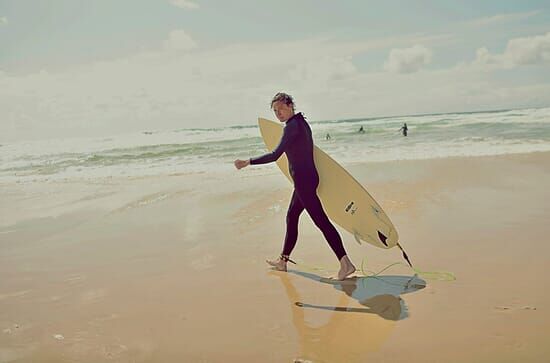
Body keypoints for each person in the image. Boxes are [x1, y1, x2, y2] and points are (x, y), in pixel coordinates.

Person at [234, 92, 356, 280]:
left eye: (281, 109)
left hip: (304, 182)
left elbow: (275, 155)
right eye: (275, 111)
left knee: (322, 222)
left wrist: (247, 162)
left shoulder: (292, 127)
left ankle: (345, 263)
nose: (279, 113)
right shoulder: (302, 123)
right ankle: (283, 261)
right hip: (306, 180)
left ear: (290, 105)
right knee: (292, 216)